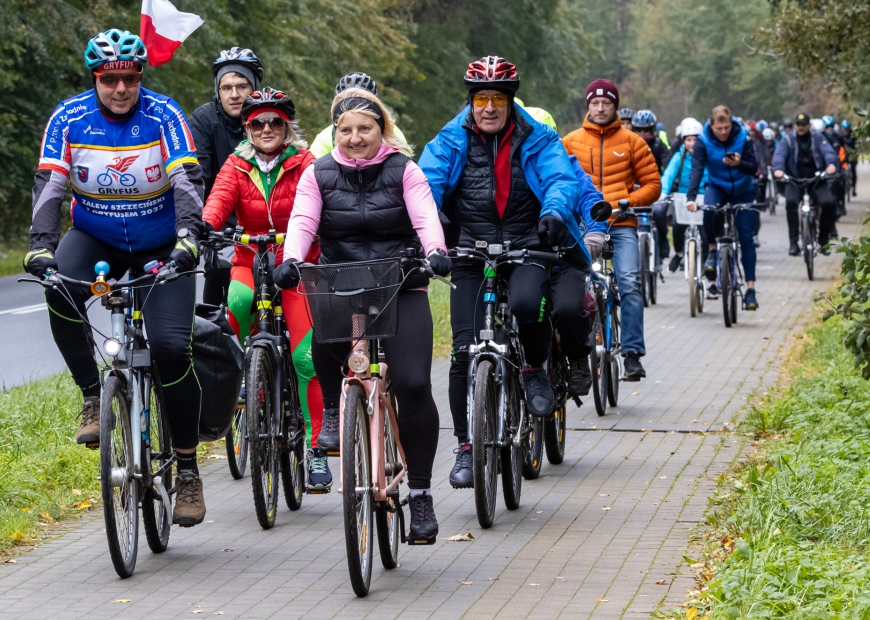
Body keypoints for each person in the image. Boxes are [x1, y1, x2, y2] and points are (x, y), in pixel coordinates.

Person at [24, 29, 208, 526]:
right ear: (95, 79)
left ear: (141, 76)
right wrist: (40, 244)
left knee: (171, 348)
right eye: (109, 80)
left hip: (160, 242)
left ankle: (188, 470)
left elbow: (187, 179)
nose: (121, 88)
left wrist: (189, 238)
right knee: (60, 288)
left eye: (130, 78)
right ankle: (91, 395)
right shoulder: (69, 117)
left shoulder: (164, 115)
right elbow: (50, 184)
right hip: (96, 236)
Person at [275, 88, 448, 545]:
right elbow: (303, 221)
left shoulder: (404, 170)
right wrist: (291, 258)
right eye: (345, 130)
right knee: (324, 341)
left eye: (365, 128)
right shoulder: (318, 173)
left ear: (381, 130)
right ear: (335, 133)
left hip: (400, 282)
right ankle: (335, 413)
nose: (355, 138)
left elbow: (424, 216)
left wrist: (435, 250)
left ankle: (421, 493)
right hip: (343, 281)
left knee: (414, 383)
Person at [419, 56, 594, 490]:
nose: (489, 107)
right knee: (463, 350)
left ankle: (533, 368)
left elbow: (560, 180)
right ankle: (465, 447)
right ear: (470, 101)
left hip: (527, 243)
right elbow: (426, 183)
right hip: (469, 249)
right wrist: (432, 224)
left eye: (497, 98)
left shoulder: (538, 137)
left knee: (528, 305)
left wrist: (554, 213)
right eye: (481, 98)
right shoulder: (451, 138)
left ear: (511, 101)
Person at [200, 89, 330, 492]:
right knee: (238, 302)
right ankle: (241, 375)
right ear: (247, 128)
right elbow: (219, 200)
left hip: (297, 265)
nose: (266, 129)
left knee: (306, 357)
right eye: (258, 123)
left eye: (275, 121)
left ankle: (317, 448)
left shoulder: (306, 163)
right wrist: (205, 225)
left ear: (287, 127)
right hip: (249, 260)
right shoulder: (236, 164)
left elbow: (321, 203)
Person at [563, 78, 660, 382]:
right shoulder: (570, 141)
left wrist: (628, 202)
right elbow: (559, 181)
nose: (601, 108)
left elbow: (653, 184)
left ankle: (632, 354)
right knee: (573, 286)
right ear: (588, 105)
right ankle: (578, 352)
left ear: (615, 106)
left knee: (630, 281)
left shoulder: (633, 142)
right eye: (595, 103)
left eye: (607, 103)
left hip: (621, 223)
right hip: (583, 226)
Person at [190, 48, 263, 305]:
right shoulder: (204, 119)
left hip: (263, 219)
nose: (234, 95)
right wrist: (199, 225)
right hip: (219, 220)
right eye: (226, 88)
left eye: (242, 86)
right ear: (217, 90)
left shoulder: (269, 117)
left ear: (254, 88)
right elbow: (197, 177)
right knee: (217, 274)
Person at [685, 106, 761, 311]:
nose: (723, 132)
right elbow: (697, 170)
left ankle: (751, 290)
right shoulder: (703, 141)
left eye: (726, 127)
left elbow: (754, 167)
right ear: (711, 125)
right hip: (717, 187)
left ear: (731, 122)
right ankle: (712, 250)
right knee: (709, 210)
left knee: (746, 236)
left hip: (743, 189)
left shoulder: (743, 137)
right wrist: (691, 198)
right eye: (719, 128)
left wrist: (739, 164)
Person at [771, 113, 839, 255]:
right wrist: (778, 169)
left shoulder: (818, 138)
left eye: (803, 125)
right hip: (794, 180)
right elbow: (779, 155)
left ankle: (823, 240)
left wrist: (831, 164)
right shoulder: (788, 139)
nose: (800, 128)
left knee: (829, 203)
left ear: (809, 126)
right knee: (790, 203)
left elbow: (828, 152)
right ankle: (793, 243)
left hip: (816, 180)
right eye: (798, 125)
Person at [308, 72, 407, 158]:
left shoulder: (392, 132)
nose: (354, 107)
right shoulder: (324, 137)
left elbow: (402, 164)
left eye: (361, 102)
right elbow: (314, 168)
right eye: (347, 102)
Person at [656, 117, 706, 273]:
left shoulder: (707, 156)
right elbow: (668, 175)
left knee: (706, 234)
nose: (692, 143)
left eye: (696, 140)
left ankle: (706, 263)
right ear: (684, 141)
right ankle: (678, 254)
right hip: (684, 198)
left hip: (704, 197)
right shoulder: (679, 157)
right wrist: (662, 192)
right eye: (689, 140)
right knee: (677, 227)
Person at [841, 119, 858, 197]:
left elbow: (855, 145)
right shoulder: (840, 135)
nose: (846, 131)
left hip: (852, 155)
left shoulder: (853, 135)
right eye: (844, 129)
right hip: (844, 155)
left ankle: (854, 188)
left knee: (853, 170)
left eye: (847, 129)